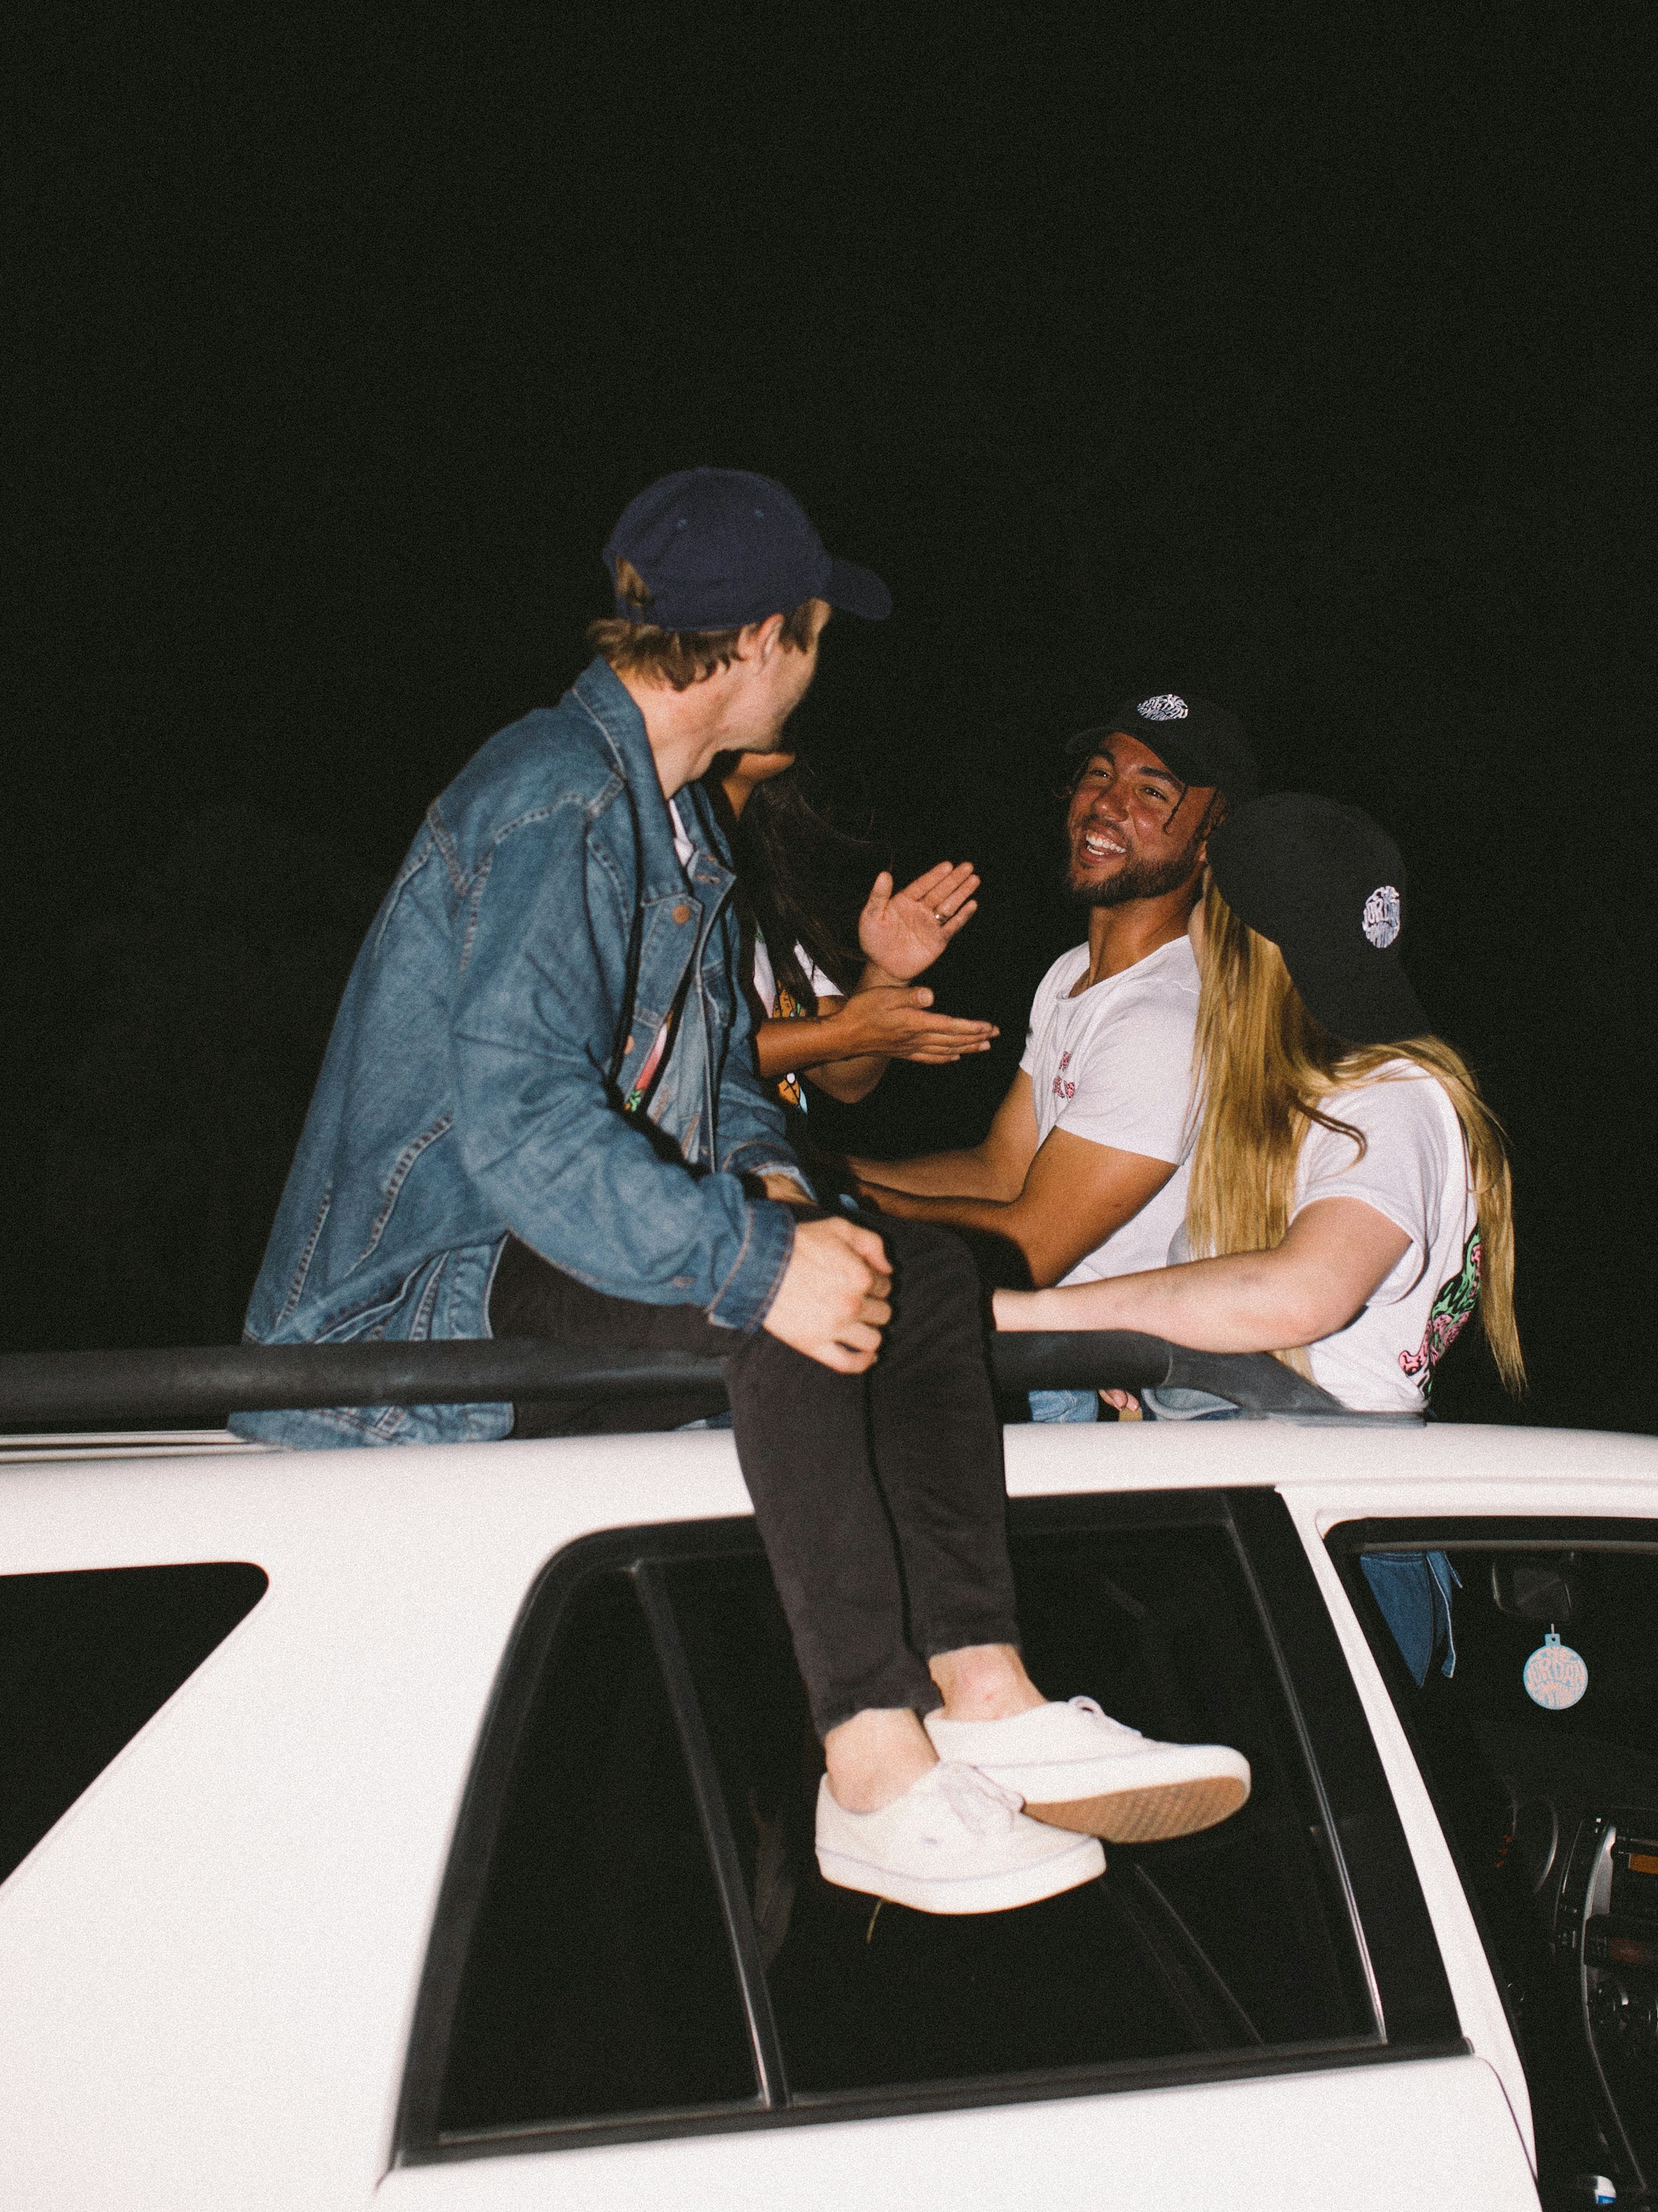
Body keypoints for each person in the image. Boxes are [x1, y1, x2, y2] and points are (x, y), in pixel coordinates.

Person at [234, 469, 1250, 1915]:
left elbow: (714, 1090)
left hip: (551, 1249)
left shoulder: (681, 835)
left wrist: (792, 1201)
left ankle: (984, 1684)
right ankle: (873, 1766)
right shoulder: (551, 801)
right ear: (768, 636)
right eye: (821, 636)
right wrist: (763, 1262)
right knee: (774, 1299)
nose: (819, 671)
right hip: (425, 1285)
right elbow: (520, 1125)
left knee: (928, 1276)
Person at [992, 792, 1526, 1429]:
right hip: (1256, 1452)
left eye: (1208, 895)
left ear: (1233, 939)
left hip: (1325, 1463)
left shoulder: (1392, 1095)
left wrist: (1024, 1313)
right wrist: (1147, 1346)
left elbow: (1302, 1294)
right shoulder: (1297, 1099)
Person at [851, 687, 1258, 1419]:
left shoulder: (1166, 1015)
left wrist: (822, 1202)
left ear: (1209, 839)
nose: (1106, 803)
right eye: (1099, 774)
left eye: (1151, 791)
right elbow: (1002, 1169)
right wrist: (810, 1171)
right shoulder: (1075, 971)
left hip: (1118, 1380)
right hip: (1056, 1353)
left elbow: (1030, 1247)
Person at [712, 746, 998, 1111]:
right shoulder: (641, 859)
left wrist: (887, 973)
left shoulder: (761, 885)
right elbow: (674, 1049)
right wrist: (846, 1033)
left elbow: (843, 1080)